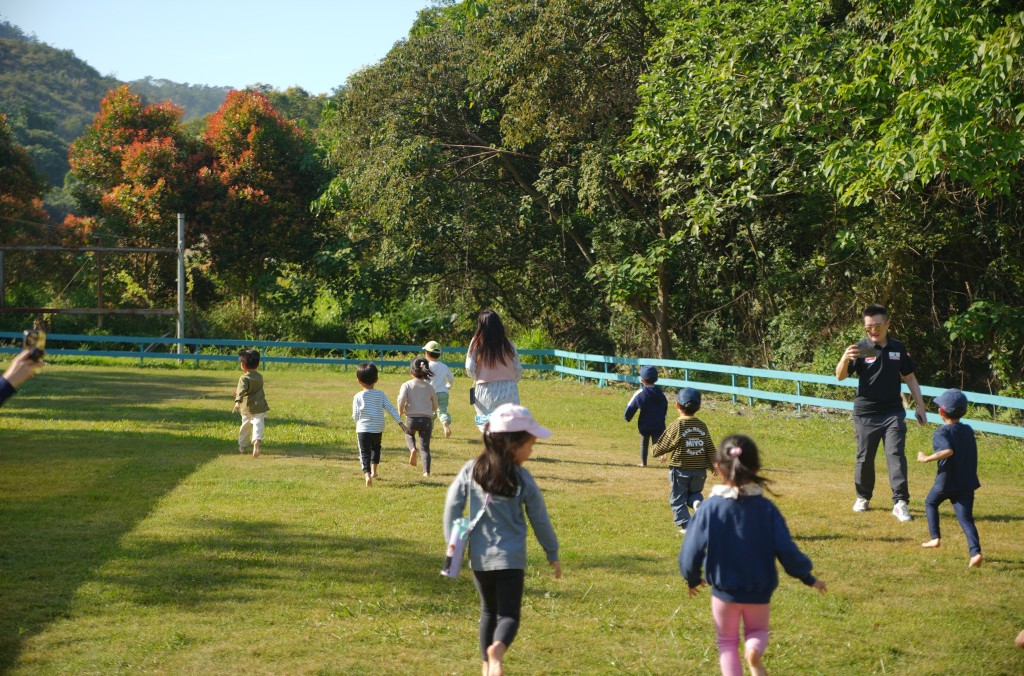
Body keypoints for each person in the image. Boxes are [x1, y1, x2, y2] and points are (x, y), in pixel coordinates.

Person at [681, 434, 826, 676]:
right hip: (759, 591)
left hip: (724, 593)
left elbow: (691, 549)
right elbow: (786, 549)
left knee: (726, 642)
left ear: (717, 467)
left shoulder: (708, 508)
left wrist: (692, 577)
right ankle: (754, 650)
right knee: (757, 632)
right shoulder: (767, 509)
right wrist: (807, 576)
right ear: (757, 468)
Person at [443, 403, 561, 676]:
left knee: (488, 611)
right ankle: (497, 650)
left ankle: (487, 665)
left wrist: (453, 543)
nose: (531, 451)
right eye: (529, 445)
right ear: (511, 443)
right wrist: (552, 552)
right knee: (508, 615)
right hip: (511, 560)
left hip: (480, 560)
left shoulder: (471, 470)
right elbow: (539, 517)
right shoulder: (522, 477)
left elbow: (452, 505)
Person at [835, 303, 926, 522]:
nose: (873, 331)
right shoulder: (862, 347)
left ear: (887, 324)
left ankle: (900, 502)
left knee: (895, 454)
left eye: (877, 326)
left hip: (893, 412)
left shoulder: (897, 348)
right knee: (864, 458)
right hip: (865, 413)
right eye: (868, 328)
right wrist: (845, 358)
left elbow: (910, 377)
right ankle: (863, 497)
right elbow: (840, 376)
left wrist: (920, 406)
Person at [917, 388, 982, 567]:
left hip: (946, 482)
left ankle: (935, 538)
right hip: (966, 482)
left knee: (930, 502)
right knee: (966, 519)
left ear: (940, 412)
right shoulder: (968, 430)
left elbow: (948, 451)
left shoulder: (941, 433)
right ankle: (975, 553)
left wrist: (926, 458)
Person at [652, 387, 715, 533]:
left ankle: (687, 525)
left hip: (680, 469)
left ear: (677, 405)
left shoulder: (677, 425)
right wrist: (714, 465)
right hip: (699, 470)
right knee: (694, 494)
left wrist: (655, 450)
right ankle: (698, 504)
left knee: (678, 499)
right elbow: (710, 447)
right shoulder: (701, 426)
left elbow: (663, 445)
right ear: (698, 407)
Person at [352, 362, 408, 487]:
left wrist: (357, 423)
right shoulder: (380, 395)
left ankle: (367, 475)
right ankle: (374, 471)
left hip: (363, 429)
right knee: (376, 448)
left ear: (359, 381)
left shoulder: (358, 397)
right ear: (376, 380)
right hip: (378, 428)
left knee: (364, 452)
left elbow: (355, 414)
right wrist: (401, 424)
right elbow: (391, 409)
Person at [466, 310, 523, 431]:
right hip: (509, 387)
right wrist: (513, 380)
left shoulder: (476, 343)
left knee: (487, 424)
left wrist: (477, 377)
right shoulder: (507, 343)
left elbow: (469, 367)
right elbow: (517, 367)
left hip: (486, 389)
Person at [399, 357, 439, 477]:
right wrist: (429, 410)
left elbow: (401, 399)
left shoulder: (406, 385)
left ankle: (412, 449)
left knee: (408, 434)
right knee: (425, 448)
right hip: (427, 419)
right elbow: (435, 405)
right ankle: (426, 472)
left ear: (411, 371)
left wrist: (400, 410)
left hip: (412, 418)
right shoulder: (430, 387)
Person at [624, 365, 668, 467]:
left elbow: (631, 406)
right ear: (656, 379)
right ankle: (661, 453)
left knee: (644, 443)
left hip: (645, 424)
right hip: (658, 424)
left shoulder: (641, 393)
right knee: (656, 442)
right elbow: (665, 408)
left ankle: (643, 463)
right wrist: (662, 420)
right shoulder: (661, 394)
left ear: (642, 380)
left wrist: (627, 417)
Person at [233, 349, 269, 458]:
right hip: (260, 406)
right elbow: (254, 390)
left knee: (246, 426)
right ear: (257, 364)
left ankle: (243, 446)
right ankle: (257, 442)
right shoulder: (259, 376)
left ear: (243, 365)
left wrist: (237, 402)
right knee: (258, 424)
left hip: (247, 407)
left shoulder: (244, 378)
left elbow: (241, 391)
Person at [423, 340, 455, 439]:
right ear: (439, 355)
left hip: (431, 393)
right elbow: (451, 377)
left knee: (430, 413)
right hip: (443, 393)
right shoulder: (444, 366)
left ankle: (429, 432)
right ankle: (445, 425)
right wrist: (448, 385)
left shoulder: (427, 366)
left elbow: (424, 380)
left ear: (427, 354)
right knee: (442, 411)